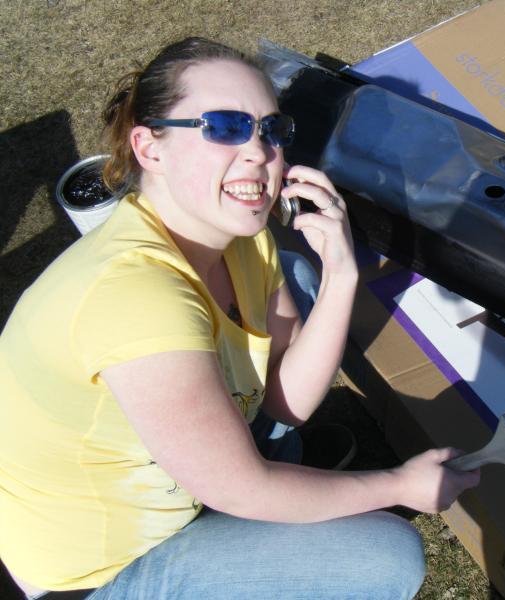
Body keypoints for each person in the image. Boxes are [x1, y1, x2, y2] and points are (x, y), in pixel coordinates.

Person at [0, 37, 479, 599]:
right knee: (385, 557)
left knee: (304, 279)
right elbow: (243, 489)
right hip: (96, 570)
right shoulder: (134, 297)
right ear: (150, 148)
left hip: (183, 484)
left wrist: (343, 274)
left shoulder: (241, 243)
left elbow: (284, 402)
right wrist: (400, 484)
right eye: (224, 127)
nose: (258, 151)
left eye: (272, 130)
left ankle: (270, 491)